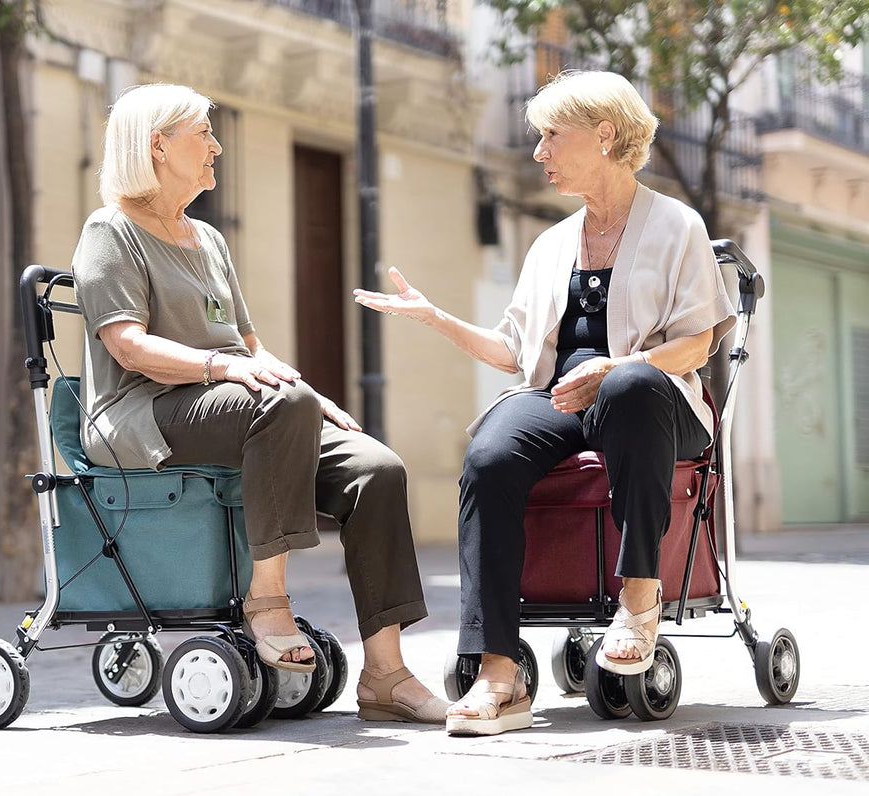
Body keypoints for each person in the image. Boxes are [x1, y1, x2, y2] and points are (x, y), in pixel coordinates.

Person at [354, 70, 736, 736]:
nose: (540, 153)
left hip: (655, 400)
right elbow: (514, 350)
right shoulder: (553, 243)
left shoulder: (676, 225)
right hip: (558, 396)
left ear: (605, 134)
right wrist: (437, 318)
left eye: (552, 136)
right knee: (492, 453)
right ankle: (498, 672)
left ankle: (638, 601)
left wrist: (616, 367)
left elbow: (697, 341)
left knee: (626, 385)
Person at [70, 83, 448, 723]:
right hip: (142, 413)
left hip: (235, 406)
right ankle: (267, 602)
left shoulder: (208, 240)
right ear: (157, 145)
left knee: (375, 469)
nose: (216, 146)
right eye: (203, 133)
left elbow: (251, 346)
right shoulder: (111, 231)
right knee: (279, 407)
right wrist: (228, 369)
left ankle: (386, 673)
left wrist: (311, 396)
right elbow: (128, 347)